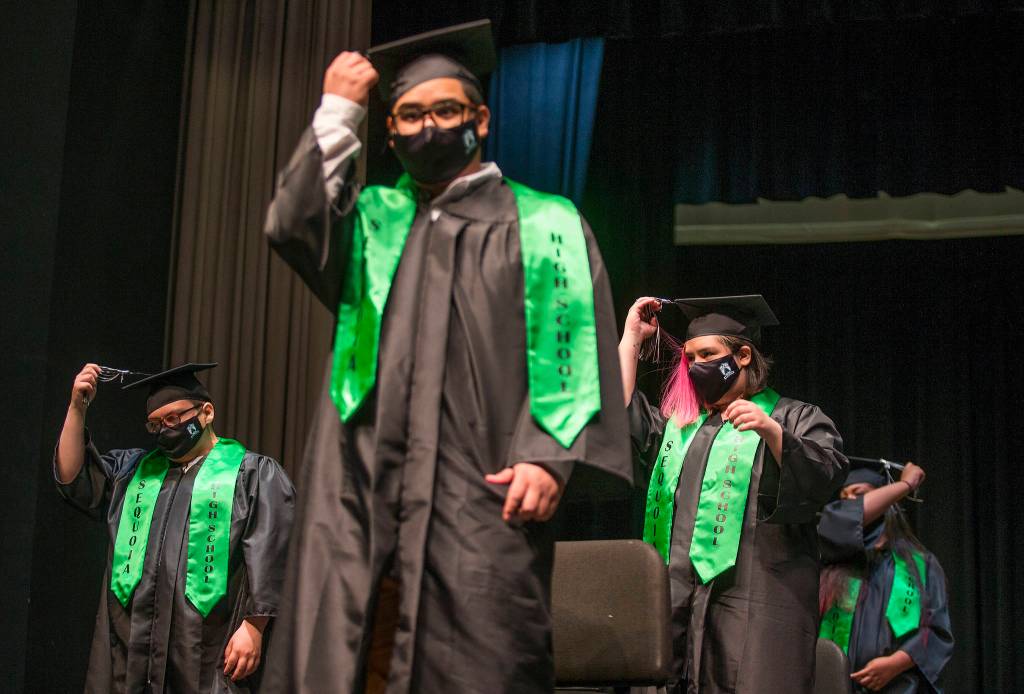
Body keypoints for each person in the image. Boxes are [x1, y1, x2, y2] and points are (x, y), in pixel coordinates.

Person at [261, 19, 631, 694]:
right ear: (391, 129)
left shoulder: (544, 225)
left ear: (480, 120)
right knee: (339, 661)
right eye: (408, 115)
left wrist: (550, 454)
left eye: (445, 111)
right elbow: (293, 224)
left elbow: (573, 349)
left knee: (477, 662)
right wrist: (339, 110)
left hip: (478, 495)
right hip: (357, 494)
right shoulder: (374, 223)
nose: (426, 127)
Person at [619, 294, 849, 694]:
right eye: (689, 357)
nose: (695, 367)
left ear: (743, 356)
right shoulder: (680, 431)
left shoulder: (792, 418)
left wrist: (773, 433)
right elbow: (623, 419)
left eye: (707, 354)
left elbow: (826, 476)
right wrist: (631, 342)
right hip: (675, 607)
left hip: (756, 614)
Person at [54, 363, 294, 693]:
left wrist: (254, 626)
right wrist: (76, 407)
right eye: (154, 425)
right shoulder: (135, 473)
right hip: (133, 645)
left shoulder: (250, 474)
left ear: (206, 412)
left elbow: (274, 551)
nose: (165, 430)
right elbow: (74, 478)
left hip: (209, 648)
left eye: (173, 419)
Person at [818, 461, 954, 692]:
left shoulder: (920, 565)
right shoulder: (831, 566)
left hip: (901, 686)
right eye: (844, 496)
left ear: (886, 501)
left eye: (859, 494)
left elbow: (937, 631)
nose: (851, 502)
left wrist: (895, 663)